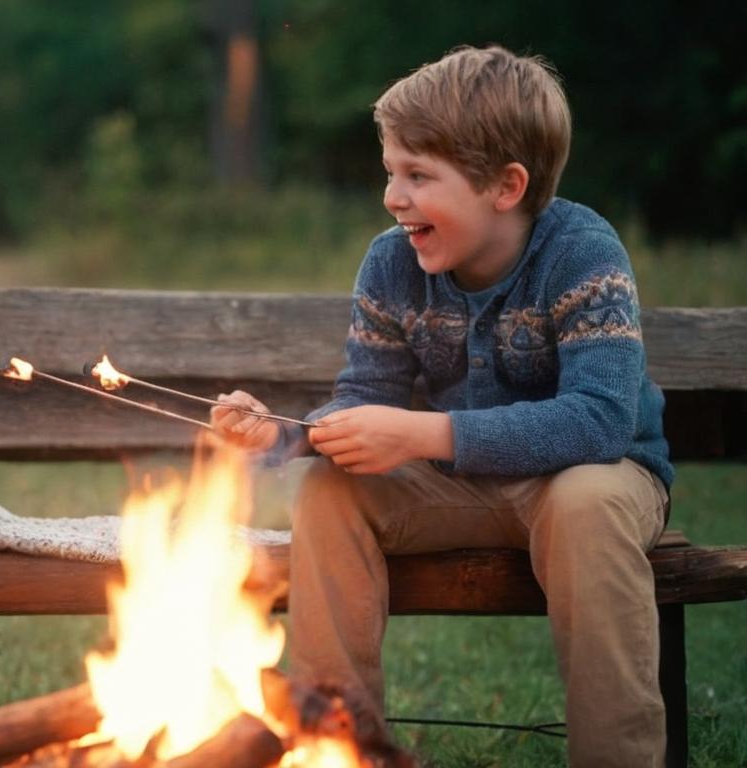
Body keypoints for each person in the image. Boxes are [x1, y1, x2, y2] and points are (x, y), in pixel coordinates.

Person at [211, 45, 672, 767]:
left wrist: (428, 432)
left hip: (592, 482)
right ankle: (331, 746)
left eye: (419, 176)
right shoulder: (392, 262)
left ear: (506, 186)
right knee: (332, 491)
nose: (394, 196)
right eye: (391, 171)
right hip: (456, 488)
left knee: (586, 502)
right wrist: (284, 434)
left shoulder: (582, 253)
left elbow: (601, 422)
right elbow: (368, 401)